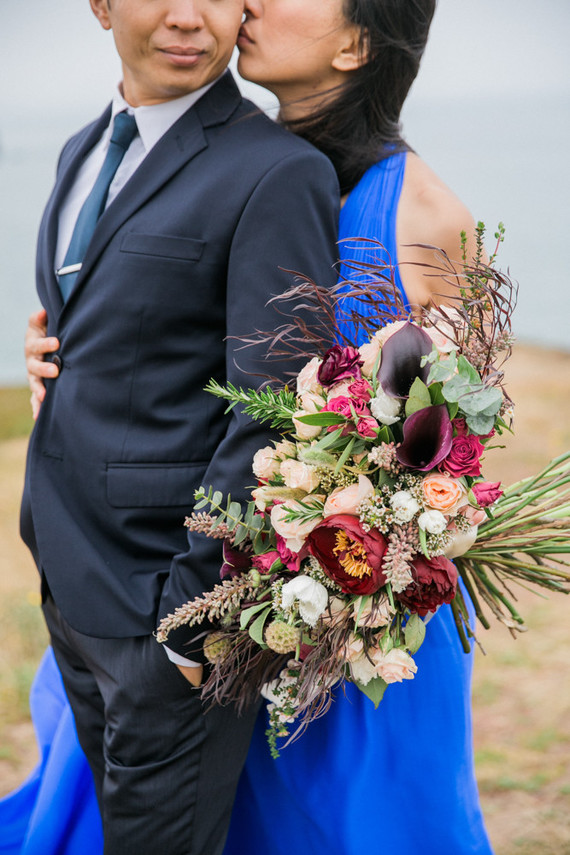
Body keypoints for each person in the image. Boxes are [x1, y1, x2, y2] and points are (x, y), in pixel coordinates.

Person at [16, 1, 494, 853]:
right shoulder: (232, 158)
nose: (251, 2)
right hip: (203, 584)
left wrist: (346, 530)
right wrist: (69, 347)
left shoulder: (421, 211)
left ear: (355, 43)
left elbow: (453, 439)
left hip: (342, 608)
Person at [7, 0, 340, 853]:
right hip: (70, 575)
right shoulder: (85, 146)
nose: (190, 17)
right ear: (102, 5)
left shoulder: (277, 171)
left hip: (167, 604)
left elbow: (278, 412)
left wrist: (193, 633)